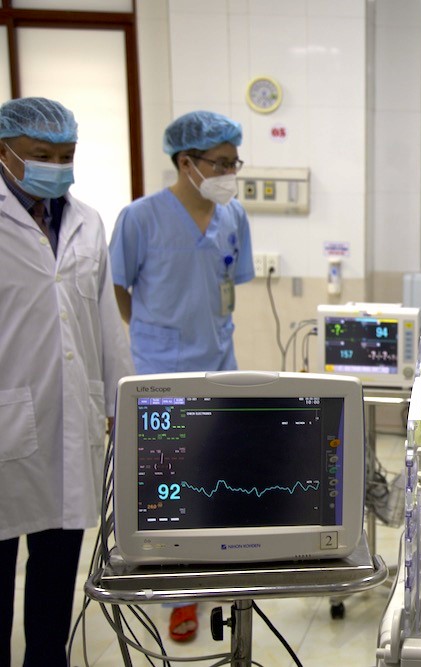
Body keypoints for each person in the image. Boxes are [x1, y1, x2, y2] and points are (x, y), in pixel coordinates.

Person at [108, 110, 254, 642]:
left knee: (220, 472)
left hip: (220, 360)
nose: (229, 172)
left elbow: (231, 283)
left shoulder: (233, 216)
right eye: (220, 162)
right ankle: (178, 593)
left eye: (234, 162)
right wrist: (154, 335)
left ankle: (220, 565)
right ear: (185, 161)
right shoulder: (140, 218)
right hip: (160, 367)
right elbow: (118, 291)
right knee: (170, 486)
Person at [0, 97, 133, 667]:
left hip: (72, 422)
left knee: (56, 574)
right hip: (6, 423)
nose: (56, 164)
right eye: (40, 155)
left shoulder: (86, 221)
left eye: (66, 154)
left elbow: (104, 319)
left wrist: (122, 398)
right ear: (5, 152)